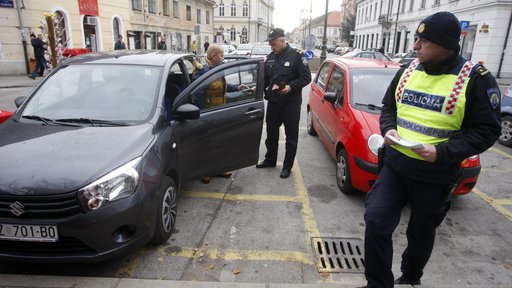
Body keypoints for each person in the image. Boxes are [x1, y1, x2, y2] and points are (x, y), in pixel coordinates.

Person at [360, 12, 501, 288]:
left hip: (436, 174)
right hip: (397, 166)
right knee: (376, 220)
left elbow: (487, 130)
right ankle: (378, 283)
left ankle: (411, 277)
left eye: (423, 41)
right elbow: (390, 107)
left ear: (445, 44)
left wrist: (442, 153)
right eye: (417, 39)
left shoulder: (475, 79)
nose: (416, 46)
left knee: (421, 234)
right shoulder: (407, 70)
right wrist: (388, 129)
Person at [255, 28, 311, 179]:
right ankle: (270, 159)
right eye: (270, 45)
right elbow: (266, 78)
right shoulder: (271, 57)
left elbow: (306, 78)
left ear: (282, 40)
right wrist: (256, 87)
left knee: (291, 137)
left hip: (290, 104)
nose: (272, 47)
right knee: (271, 133)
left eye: (273, 44)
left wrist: (290, 87)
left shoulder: (297, 56)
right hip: (274, 102)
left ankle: (287, 166)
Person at [192, 43, 247, 183]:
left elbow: (222, 87)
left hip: (219, 111)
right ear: (214, 56)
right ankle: (205, 171)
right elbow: (197, 95)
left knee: (219, 141)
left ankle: (218, 169)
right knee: (206, 143)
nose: (223, 58)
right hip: (208, 113)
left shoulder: (217, 69)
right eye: (222, 55)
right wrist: (203, 115)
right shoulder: (202, 71)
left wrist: (237, 87)